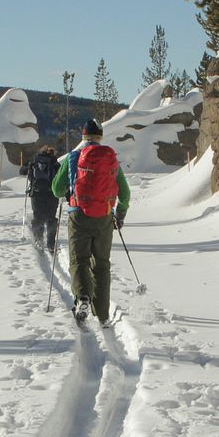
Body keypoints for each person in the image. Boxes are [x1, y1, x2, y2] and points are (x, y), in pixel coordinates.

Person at [51, 118, 130, 327]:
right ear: (100, 137)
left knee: (79, 261)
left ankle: (83, 298)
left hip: (78, 216)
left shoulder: (74, 157)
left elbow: (56, 190)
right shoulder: (110, 159)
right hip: (104, 216)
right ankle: (103, 313)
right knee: (101, 264)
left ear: (83, 136)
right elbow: (125, 192)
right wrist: (120, 214)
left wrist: (68, 190)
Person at [19, 145, 60, 253]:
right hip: (52, 194)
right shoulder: (55, 163)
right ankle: (51, 244)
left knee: (38, 217)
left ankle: (39, 240)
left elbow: (21, 171)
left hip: (36, 194)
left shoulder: (34, 162)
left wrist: (27, 166)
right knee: (51, 218)